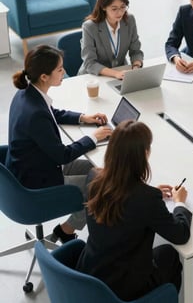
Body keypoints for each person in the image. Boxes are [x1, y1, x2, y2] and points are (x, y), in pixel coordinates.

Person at [6, 45, 113, 242]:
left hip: (28, 166)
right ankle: (67, 229)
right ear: (44, 76)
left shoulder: (27, 94)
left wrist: (84, 117)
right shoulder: (35, 113)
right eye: (59, 69)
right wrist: (94, 137)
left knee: (98, 169)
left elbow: (52, 114)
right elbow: (62, 155)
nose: (64, 72)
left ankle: (70, 228)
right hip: (38, 180)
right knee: (101, 184)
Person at [76, 120, 192, 301]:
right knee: (170, 255)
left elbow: (123, 197)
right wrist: (179, 203)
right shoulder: (146, 198)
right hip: (124, 288)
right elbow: (180, 234)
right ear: (144, 154)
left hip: (91, 274)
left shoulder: (93, 177)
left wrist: (149, 192)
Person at [78, 0, 144, 80]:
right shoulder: (90, 27)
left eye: (123, 7)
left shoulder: (129, 20)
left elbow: (136, 51)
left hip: (121, 74)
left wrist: (136, 67)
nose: (120, 12)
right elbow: (89, 63)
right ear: (103, 7)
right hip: (94, 76)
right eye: (114, 9)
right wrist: (115, 74)